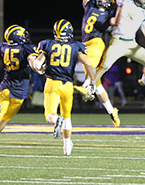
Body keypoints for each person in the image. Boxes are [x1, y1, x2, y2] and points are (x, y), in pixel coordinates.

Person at [32, 19, 97, 156]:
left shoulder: (47, 44)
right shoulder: (75, 46)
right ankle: (67, 146)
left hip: (52, 83)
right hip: (67, 85)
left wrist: (40, 69)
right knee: (67, 116)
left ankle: (56, 120)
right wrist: (92, 82)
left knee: (49, 114)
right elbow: (89, 65)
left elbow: (37, 64)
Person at [72, 0, 121, 126]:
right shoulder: (90, 6)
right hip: (84, 44)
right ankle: (111, 111)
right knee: (98, 83)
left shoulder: (109, 14)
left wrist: (122, 6)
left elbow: (116, 22)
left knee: (90, 66)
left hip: (96, 43)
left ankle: (86, 87)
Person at [0, 25, 39, 150]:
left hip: (7, 82)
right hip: (20, 87)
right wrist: (38, 68)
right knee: (6, 118)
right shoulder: (27, 48)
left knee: (0, 104)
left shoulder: (4, 46)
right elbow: (32, 63)